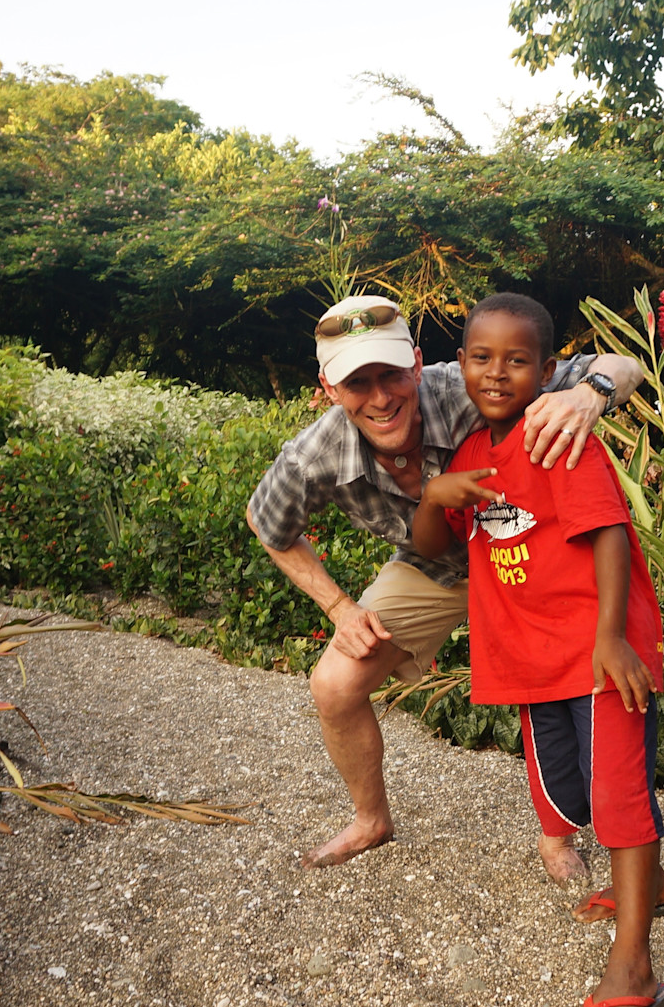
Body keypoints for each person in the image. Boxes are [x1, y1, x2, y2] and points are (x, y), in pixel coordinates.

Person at [246, 293, 643, 872]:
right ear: (330, 389)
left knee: (572, 677)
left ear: (416, 360)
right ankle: (370, 820)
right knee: (333, 685)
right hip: (437, 565)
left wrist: (591, 395)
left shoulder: (473, 378)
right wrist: (339, 608)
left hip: (529, 552)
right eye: (358, 383)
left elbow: (621, 365)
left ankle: (562, 836)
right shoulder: (313, 454)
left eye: (391, 374)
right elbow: (267, 524)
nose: (381, 398)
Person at [410, 292, 664, 1007]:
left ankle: (637, 966)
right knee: (574, 793)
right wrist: (435, 494)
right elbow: (432, 543)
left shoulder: (559, 435)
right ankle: (649, 883)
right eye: (482, 357)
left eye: (518, 360)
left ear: (549, 368)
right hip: (535, 659)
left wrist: (611, 637)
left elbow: (610, 531)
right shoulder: (470, 455)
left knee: (619, 797)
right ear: (459, 364)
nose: (498, 373)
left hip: (597, 652)